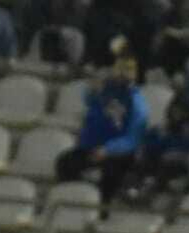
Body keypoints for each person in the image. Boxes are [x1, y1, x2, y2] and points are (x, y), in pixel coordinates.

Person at [54, 53, 149, 205]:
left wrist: (108, 149)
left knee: (110, 173)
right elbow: (89, 101)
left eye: (128, 69)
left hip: (119, 154)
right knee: (65, 163)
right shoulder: (106, 90)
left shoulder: (137, 103)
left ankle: (102, 210)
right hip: (91, 149)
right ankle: (69, 203)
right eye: (119, 68)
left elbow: (132, 139)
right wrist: (93, 88)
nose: (122, 73)